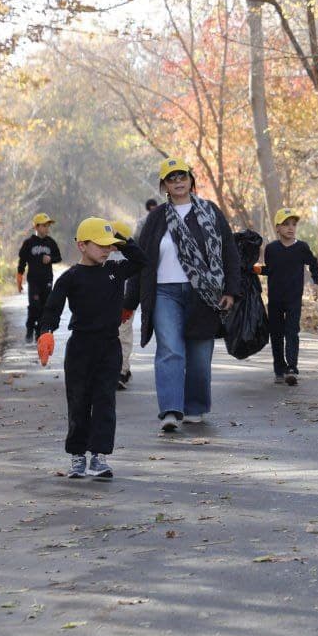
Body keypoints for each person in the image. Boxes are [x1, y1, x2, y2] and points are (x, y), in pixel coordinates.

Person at [124, 158, 241, 432]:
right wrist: (128, 303)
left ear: (190, 179)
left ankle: (195, 406)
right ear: (164, 185)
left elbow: (229, 253)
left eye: (182, 176)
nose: (177, 181)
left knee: (200, 356)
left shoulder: (211, 212)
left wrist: (231, 291)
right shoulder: (156, 218)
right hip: (164, 292)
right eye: (171, 178)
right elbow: (139, 260)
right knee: (170, 349)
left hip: (204, 294)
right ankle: (170, 410)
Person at [37, 217, 146, 479]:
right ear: (82, 245)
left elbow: (143, 261)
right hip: (80, 349)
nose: (107, 250)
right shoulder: (71, 277)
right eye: (101, 245)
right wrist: (46, 332)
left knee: (105, 401)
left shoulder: (116, 270)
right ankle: (77, 455)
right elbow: (53, 306)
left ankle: (99, 456)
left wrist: (124, 241)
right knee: (78, 402)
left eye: (110, 246)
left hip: (109, 347)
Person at [255, 207, 318, 386]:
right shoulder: (271, 249)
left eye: (293, 224)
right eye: (286, 224)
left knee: (292, 332)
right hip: (275, 299)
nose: (290, 228)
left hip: (294, 298)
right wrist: (256, 270)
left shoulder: (301, 248)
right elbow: (270, 269)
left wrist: (316, 282)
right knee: (276, 335)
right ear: (277, 228)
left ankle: (291, 368)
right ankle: (279, 369)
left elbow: (313, 264)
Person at [16, 213, 62, 343]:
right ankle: (30, 328)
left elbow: (59, 258)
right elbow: (22, 262)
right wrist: (19, 280)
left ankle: (39, 332)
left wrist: (51, 259)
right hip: (34, 281)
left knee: (45, 307)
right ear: (36, 227)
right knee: (34, 306)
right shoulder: (28, 243)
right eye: (44, 225)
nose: (47, 228)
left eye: (48, 226)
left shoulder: (51, 243)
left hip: (47, 280)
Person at [110, 219, 136, 390]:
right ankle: (116, 369)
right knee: (116, 337)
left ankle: (122, 371)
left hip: (125, 303)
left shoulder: (128, 257)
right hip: (111, 303)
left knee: (123, 336)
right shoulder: (107, 254)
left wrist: (129, 304)